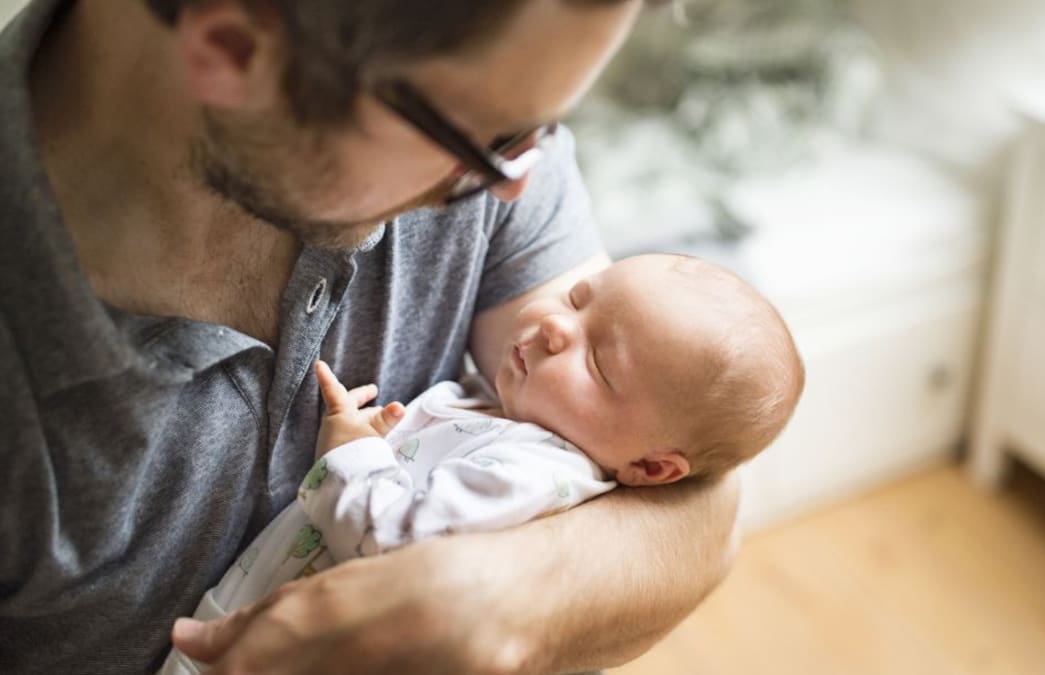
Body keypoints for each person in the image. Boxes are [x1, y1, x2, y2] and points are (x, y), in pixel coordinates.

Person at [0, 0, 756, 673]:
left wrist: (490, 606)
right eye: (490, 138)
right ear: (234, 48)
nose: (516, 182)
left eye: (537, 128)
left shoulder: (459, 105)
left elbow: (701, 499)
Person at [160, 253, 804, 674]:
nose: (556, 328)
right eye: (579, 300)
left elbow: (397, 543)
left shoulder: (539, 474)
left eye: (600, 362)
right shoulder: (499, 402)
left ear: (651, 467)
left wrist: (351, 448)